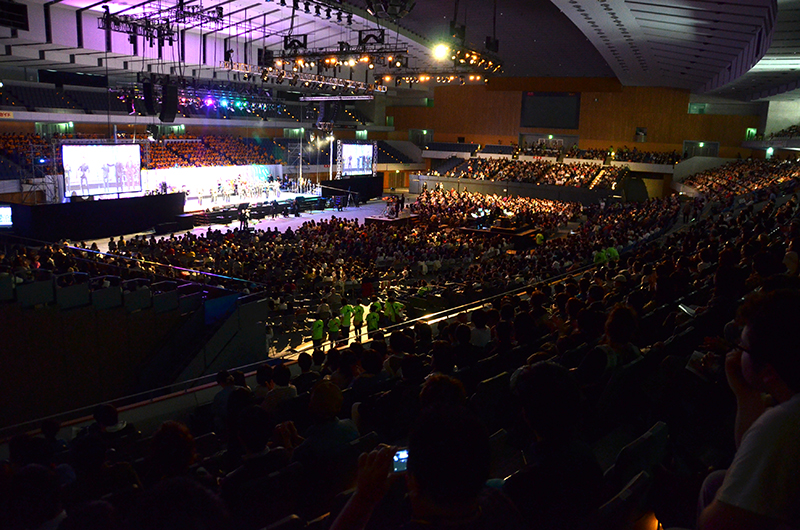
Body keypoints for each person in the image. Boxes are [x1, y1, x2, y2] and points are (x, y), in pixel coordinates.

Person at [698, 289, 800, 530]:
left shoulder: (782, 424)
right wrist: (745, 394)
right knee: (713, 482)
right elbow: (747, 446)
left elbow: (712, 524)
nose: (735, 353)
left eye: (742, 347)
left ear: (768, 371)